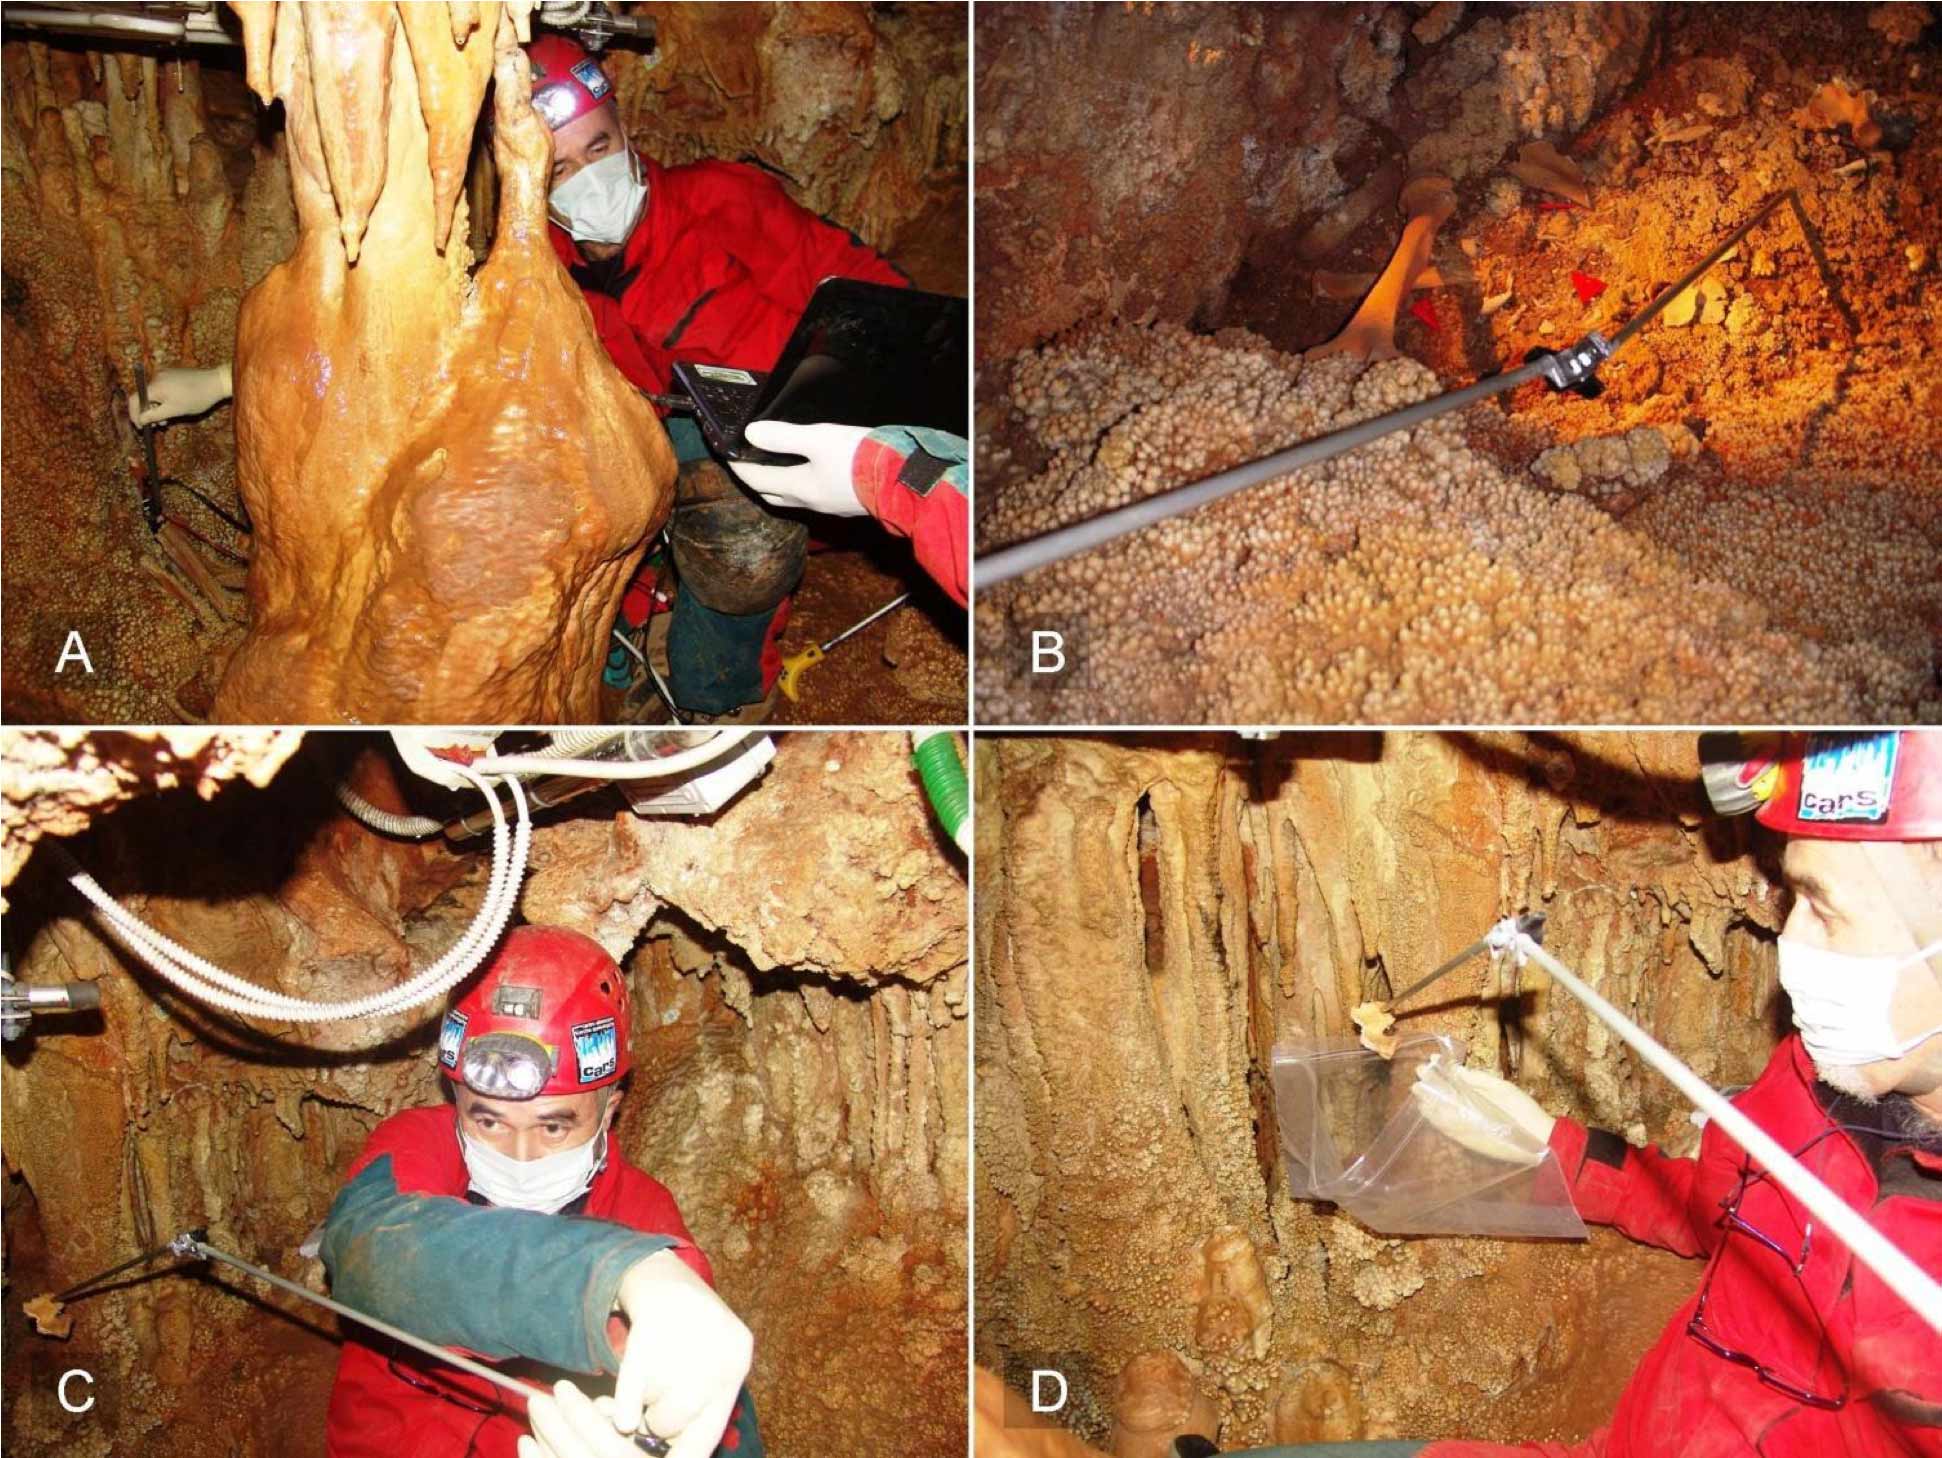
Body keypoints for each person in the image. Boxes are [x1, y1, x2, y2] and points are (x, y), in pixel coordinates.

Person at [131, 31, 964, 717]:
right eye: (561, 167)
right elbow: (405, 349)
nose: (589, 175)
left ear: (626, 134)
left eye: (599, 145)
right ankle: (603, 652)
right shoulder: (532, 278)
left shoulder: (726, 203)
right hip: (637, 444)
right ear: (529, 175)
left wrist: (925, 390)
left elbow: (869, 296)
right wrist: (219, 380)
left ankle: (712, 699)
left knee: (742, 540)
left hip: (773, 437)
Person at [319, 925, 763, 1458]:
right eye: (488, 1120)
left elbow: (703, 1390)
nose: (518, 1156)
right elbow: (369, 1246)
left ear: (609, 1110)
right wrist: (607, 1275)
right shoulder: (417, 1144)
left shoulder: (645, 1217)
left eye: (553, 1127)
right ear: (455, 1096)